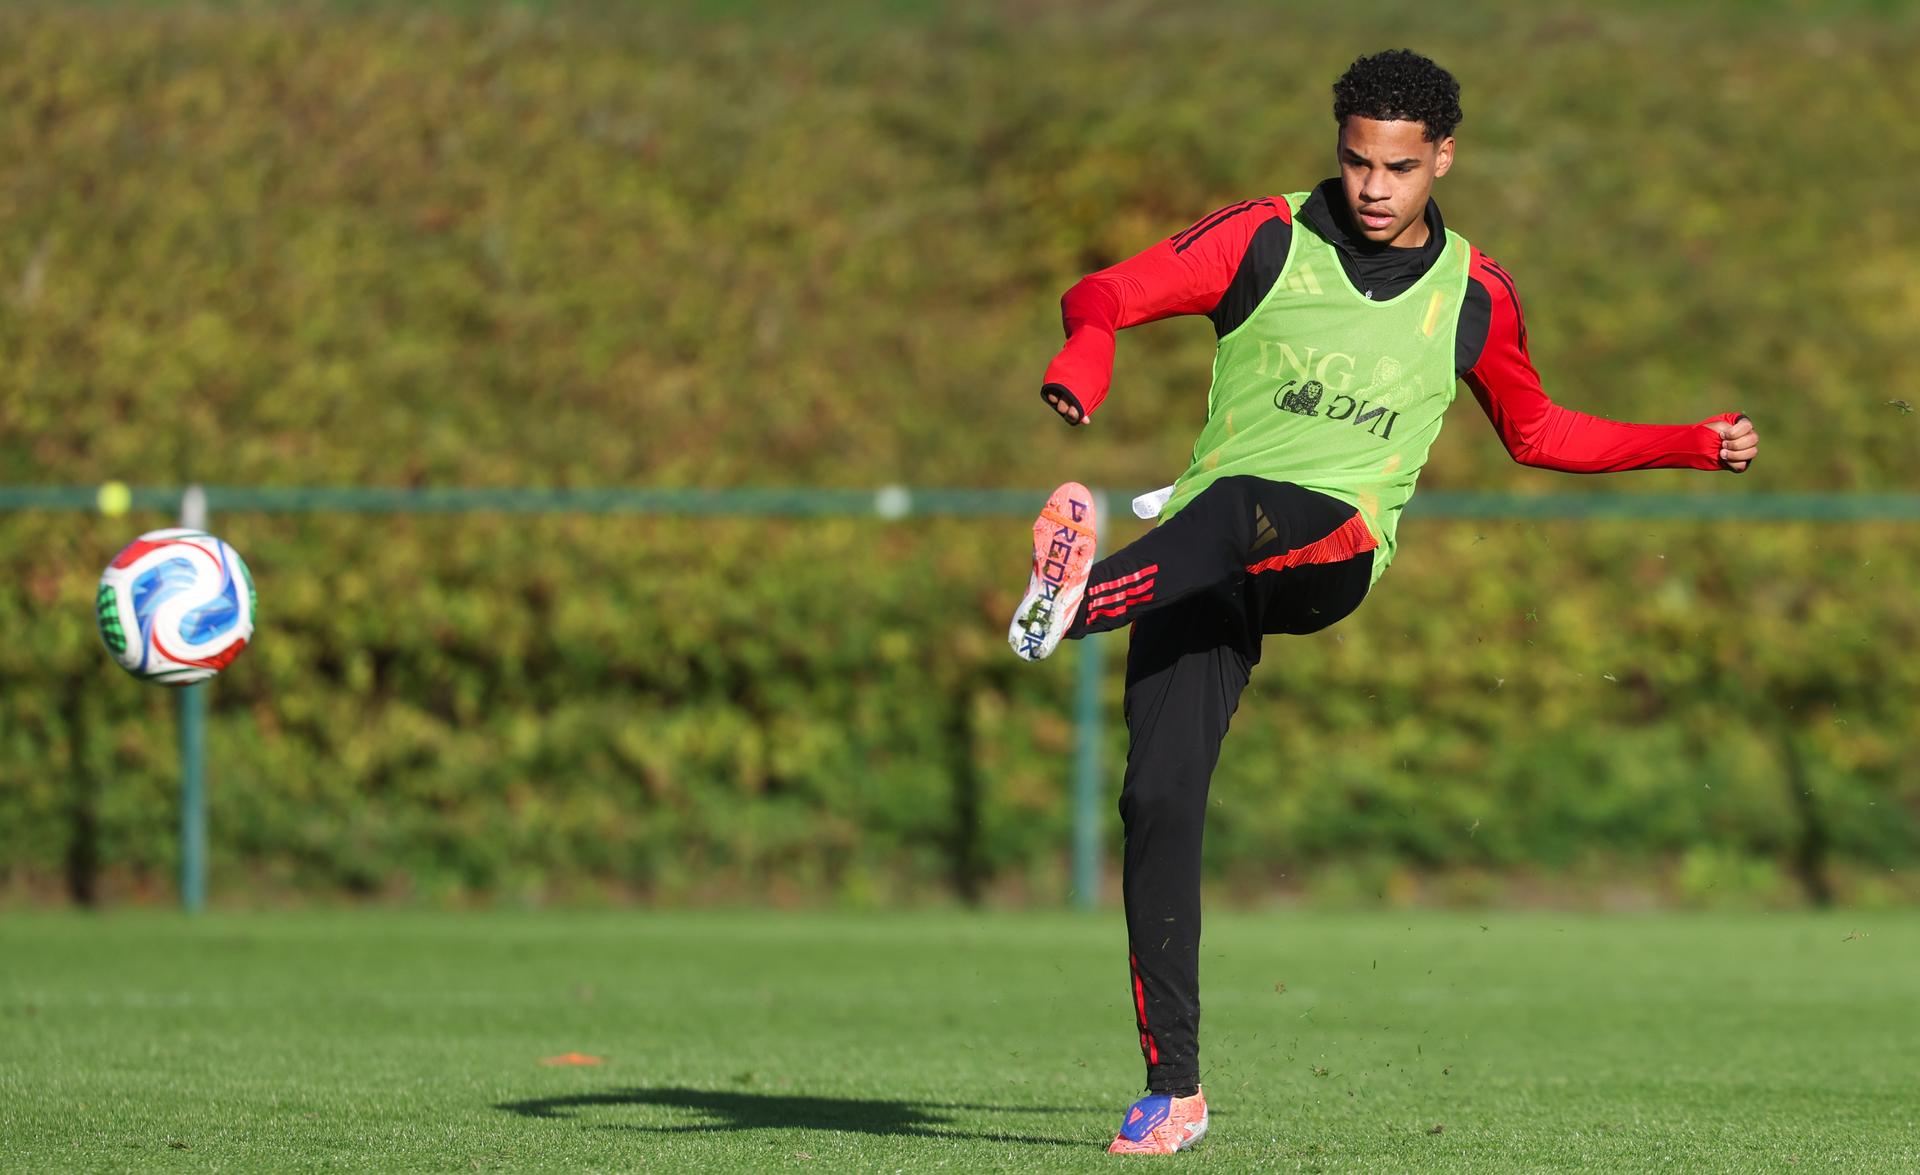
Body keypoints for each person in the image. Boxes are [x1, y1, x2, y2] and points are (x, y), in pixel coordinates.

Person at [1006, 49, 1760, 1156]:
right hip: (1198, 559)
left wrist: (1685, 444)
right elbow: (1106, 290)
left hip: (1329, 544)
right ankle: (1176, 1092)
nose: (1372, 186)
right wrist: (1087, 348)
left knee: (1243, 506)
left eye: (1398, 168)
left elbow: (1538, 430)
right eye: (1356, 160)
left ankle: (1070, 605)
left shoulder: (1475, 292)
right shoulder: (1264, 237)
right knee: (1157, 801)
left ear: (1442, 158)